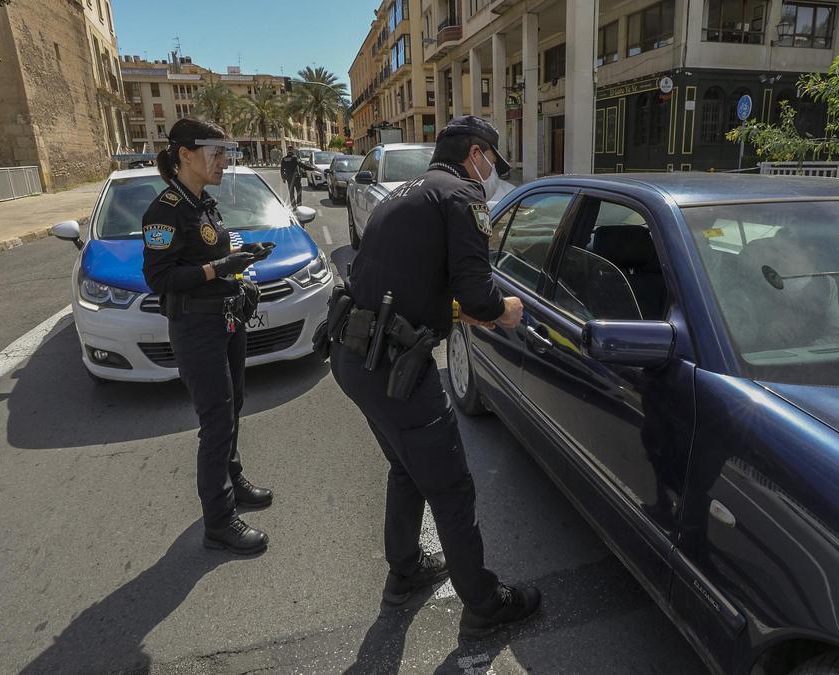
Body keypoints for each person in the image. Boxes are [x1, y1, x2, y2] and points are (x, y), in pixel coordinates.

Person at [323, 115, 541, 639]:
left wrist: (458, 310)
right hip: (397, 366)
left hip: (354, 355)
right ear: (475, 154)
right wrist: (505, 310)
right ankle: (484, 602)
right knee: (451, 487)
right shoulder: (462, 196)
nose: (491, 172)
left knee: (406, 468)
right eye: (491, 160)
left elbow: (414, 280)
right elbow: (479, 291)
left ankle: (405, 571)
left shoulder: (405, 193)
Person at [142, 118, 276, 555]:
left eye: (226, 153)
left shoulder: (204, 203)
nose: (223, 161)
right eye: (215, 153)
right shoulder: (165, 209)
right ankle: (219, 522)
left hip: (226, 319)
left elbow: (216, 253)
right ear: (185, 154)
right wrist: (219, 268)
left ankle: (232, 481)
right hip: (196, 327)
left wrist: (241, 259)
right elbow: (161, 279)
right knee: (216, 420)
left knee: (234, 404)